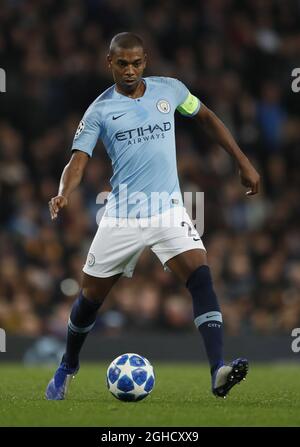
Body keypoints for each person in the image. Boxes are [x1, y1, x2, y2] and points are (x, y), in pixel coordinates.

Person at [46, 32, 260, 400]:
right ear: (108, 63)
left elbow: (207, 117)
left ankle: (217, 371)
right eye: (122, 63)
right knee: (90, 298)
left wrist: (242, 162)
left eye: (136, 63)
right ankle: (68, 365)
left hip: (168, 210)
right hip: (122, 216)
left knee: (200, 275)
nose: (130, 70)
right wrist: (64, 193)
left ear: (145, 62)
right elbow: (77, 160)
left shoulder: (171, 90)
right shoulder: (99, 110)